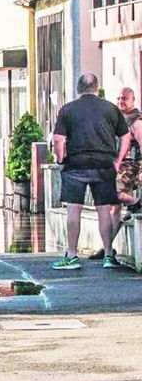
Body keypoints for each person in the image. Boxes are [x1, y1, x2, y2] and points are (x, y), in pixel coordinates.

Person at [51, 73, 131, 270]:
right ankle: (109, 255)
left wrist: (61, 160)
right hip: (104, 164)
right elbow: (126, 137)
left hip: (75, 165)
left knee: (74, 208)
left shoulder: (67, 110)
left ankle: (71, 255)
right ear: (97, 88)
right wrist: (117, 161)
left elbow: (58, 140)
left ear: (79, 89)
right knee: (103, 209)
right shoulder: (111, 109)